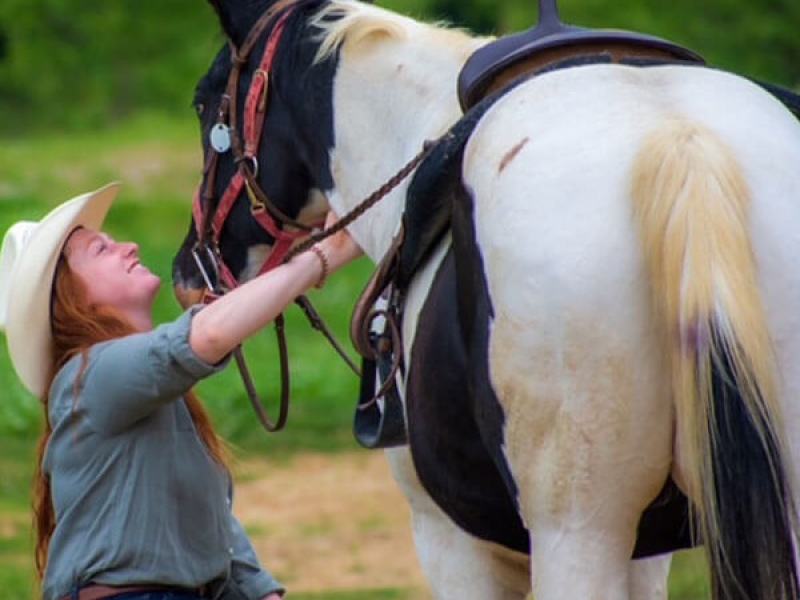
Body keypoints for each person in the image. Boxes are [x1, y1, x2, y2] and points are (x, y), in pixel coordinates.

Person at [0, 183, 363, 600]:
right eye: (101, 249)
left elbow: (208, 524)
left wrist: (260, 592)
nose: (129, 246)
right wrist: (325, 255)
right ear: (72, 299)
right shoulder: (89, 374)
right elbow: (207, 335)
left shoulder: (130, 388)